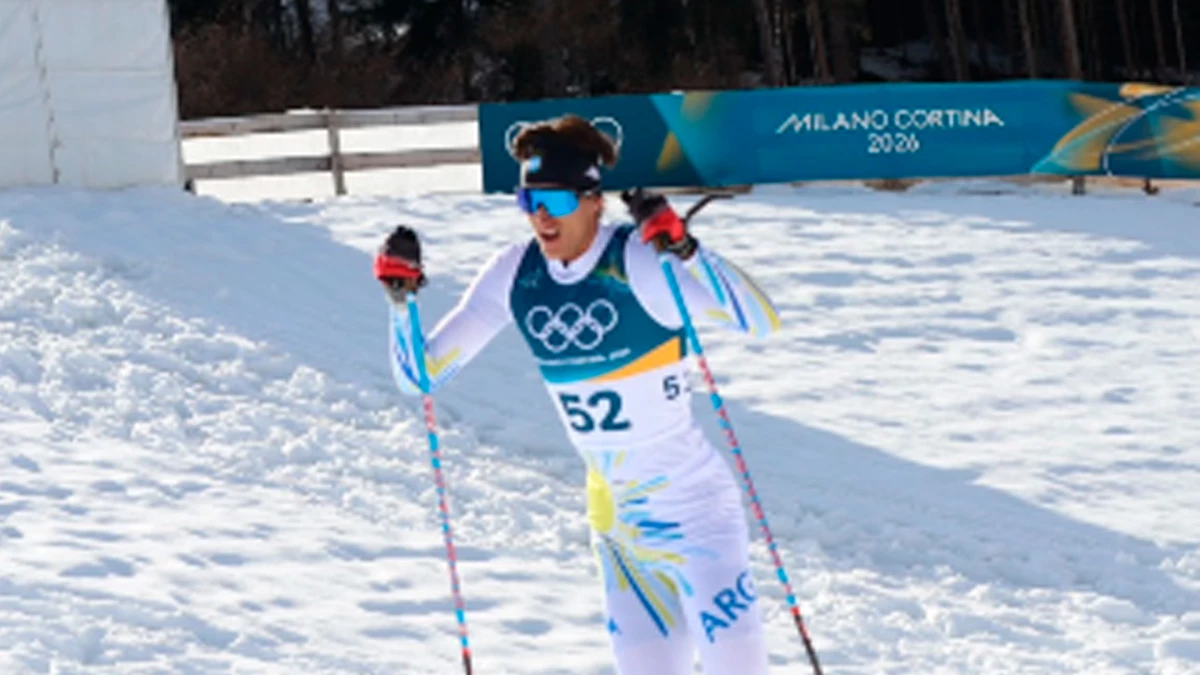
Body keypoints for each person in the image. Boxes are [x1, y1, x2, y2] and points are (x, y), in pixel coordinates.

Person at [373, 114, 782, 675]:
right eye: (528, 201)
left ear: (593, 200)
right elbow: (419, 377)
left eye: (557, 202)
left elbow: (760, 320)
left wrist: (687, 249)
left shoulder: (638, 260)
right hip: (619, 531)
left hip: (698, 518)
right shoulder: (515, 275)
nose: (541, 217)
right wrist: (402, 305)